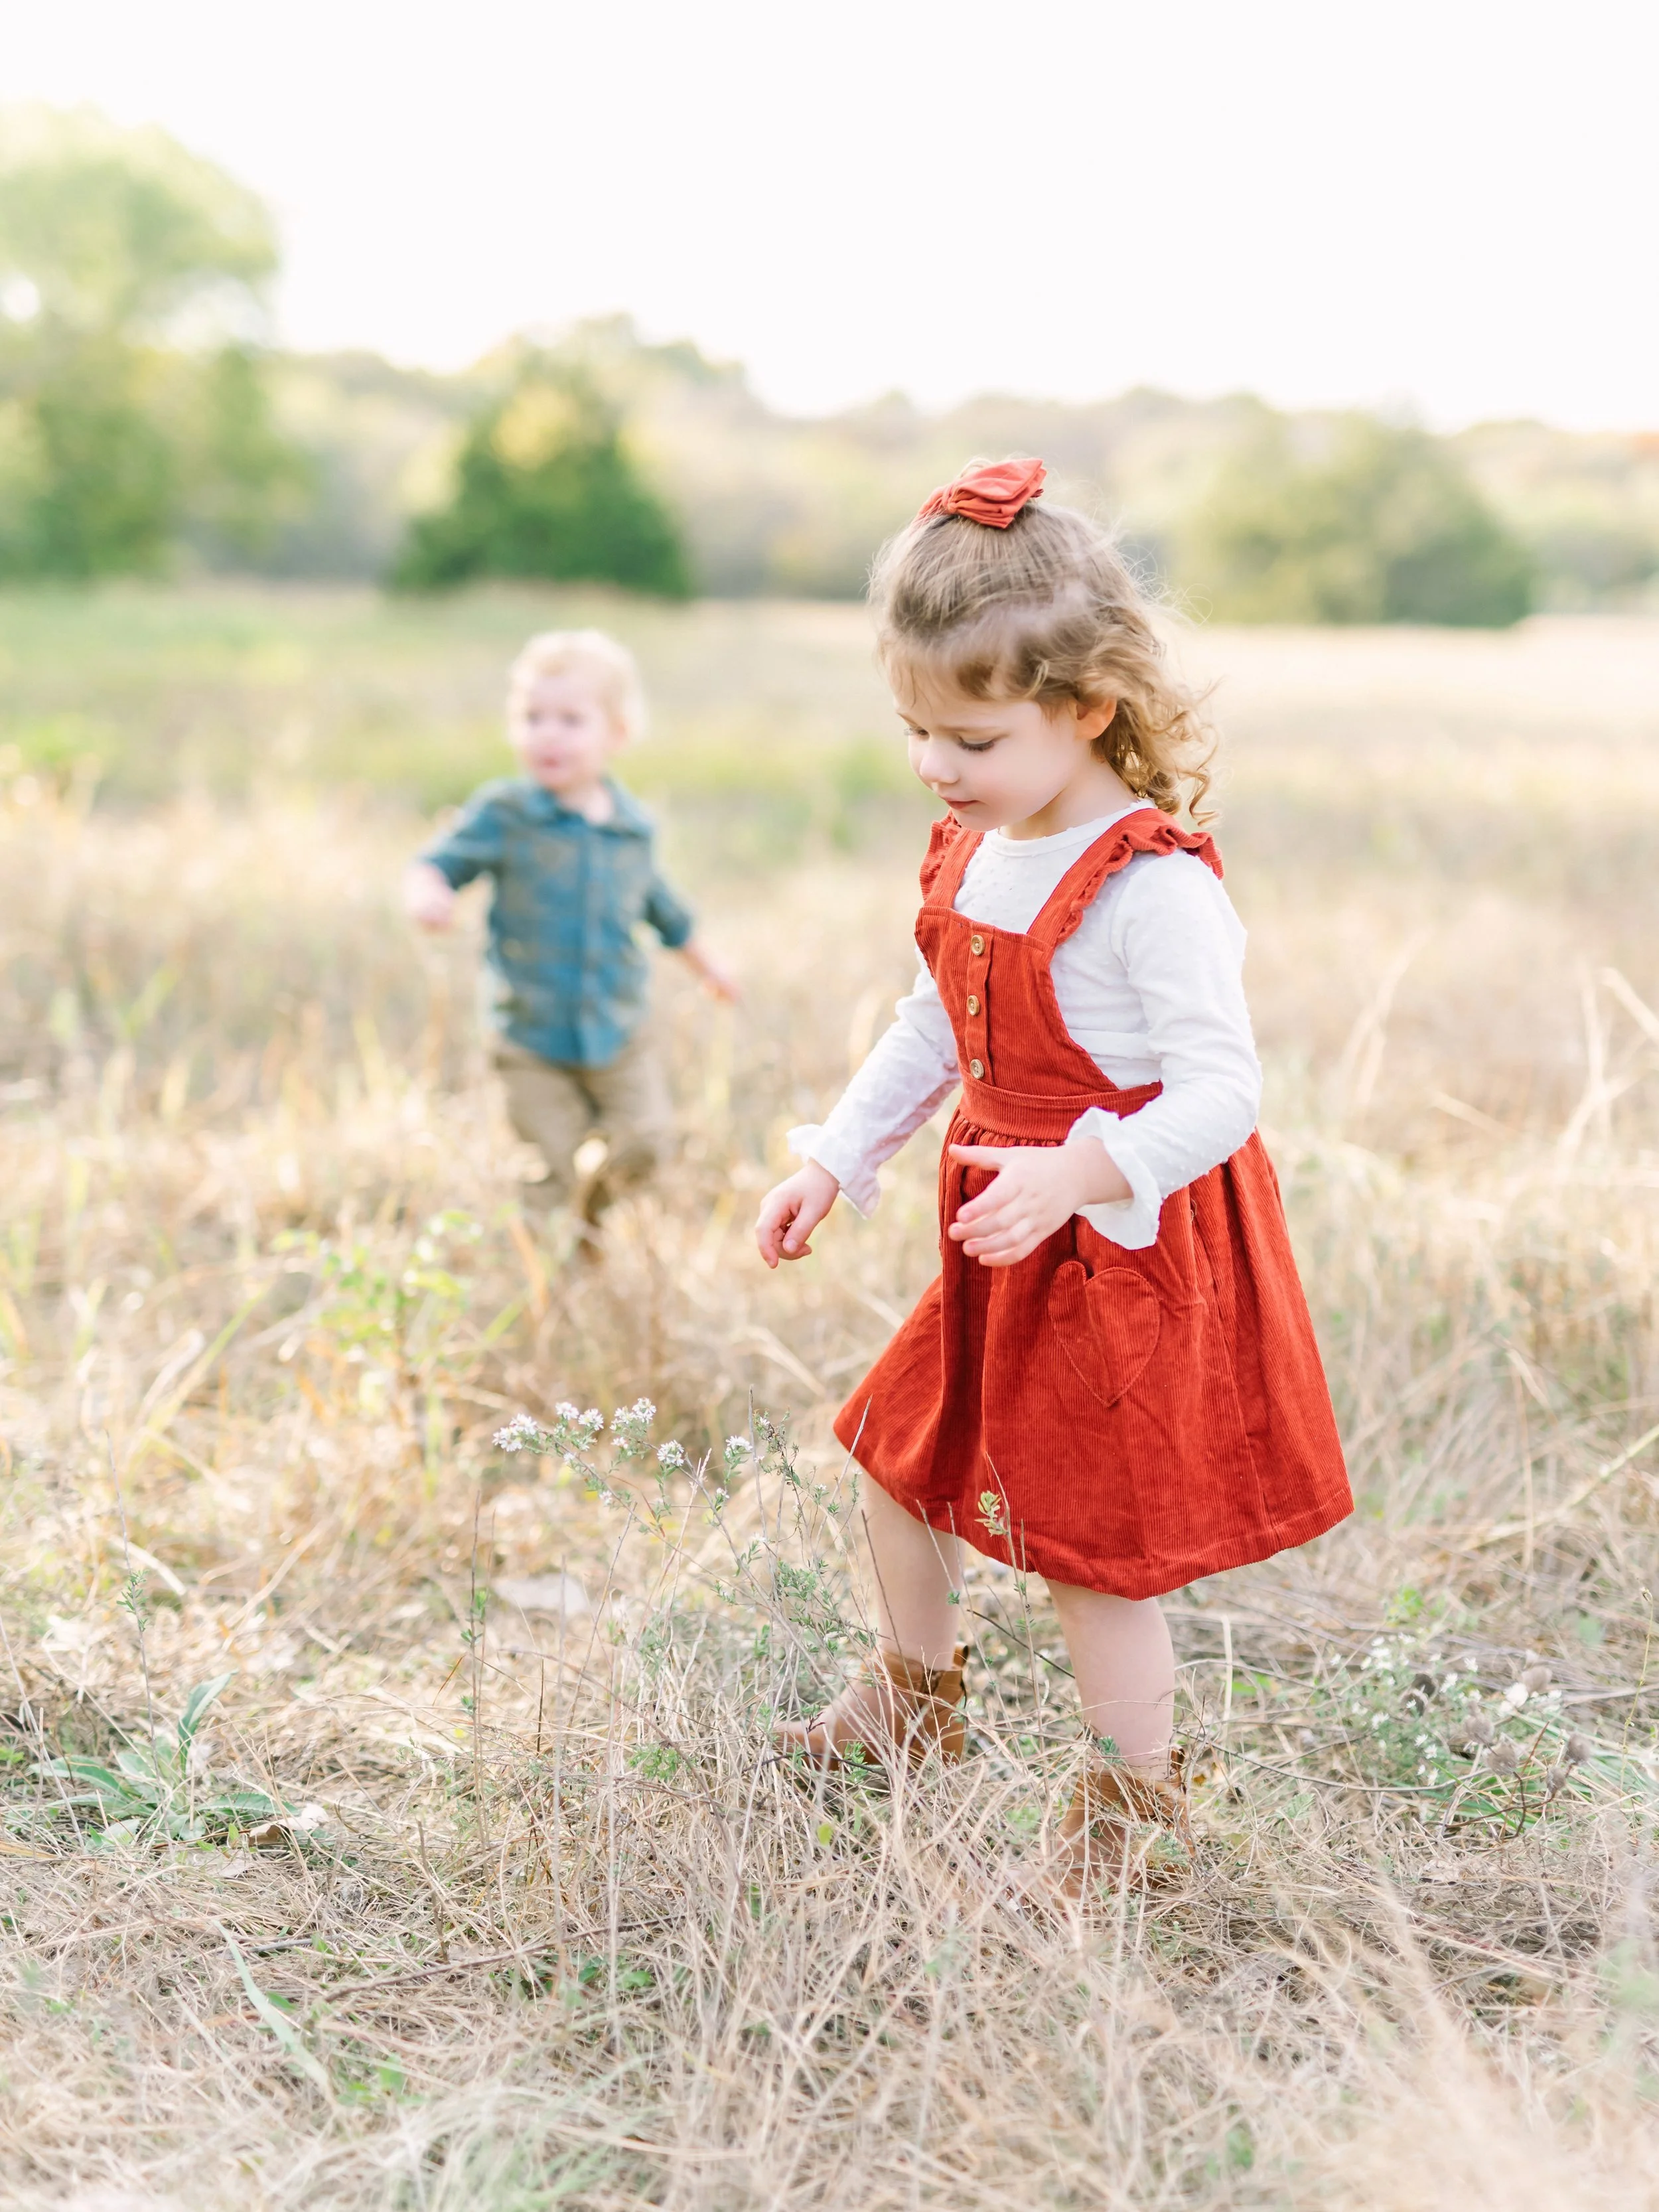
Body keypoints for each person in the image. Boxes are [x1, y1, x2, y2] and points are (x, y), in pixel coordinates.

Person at [753, 459, 1350, 1904]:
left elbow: (1222, 1092)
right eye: (913, 733)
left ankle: (1130, 1811)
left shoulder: (1153, 886)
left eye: (969, 734)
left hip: (1118, 1246)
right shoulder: (975, 847)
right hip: (995, 1227)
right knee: (896, 1458)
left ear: (1085, 709)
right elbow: (928, 1025)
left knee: (1097, 1555)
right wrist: (840, 1154)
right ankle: (913, 1696)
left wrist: (1082, 1167)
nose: (935, 769)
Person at [406, 628, 735, 1229]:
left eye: (570, 719)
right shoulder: (505, 814)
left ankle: (589, 1221)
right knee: (547, 1163)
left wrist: (708, 965)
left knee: (647, 1141)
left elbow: (663, 910)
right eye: (532, 717)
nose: (548, 734)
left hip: (617, 1029)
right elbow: (439, 862)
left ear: (617, 733)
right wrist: (429, 893)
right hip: (530, 1034)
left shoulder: (632, 829)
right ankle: (551, 1270)